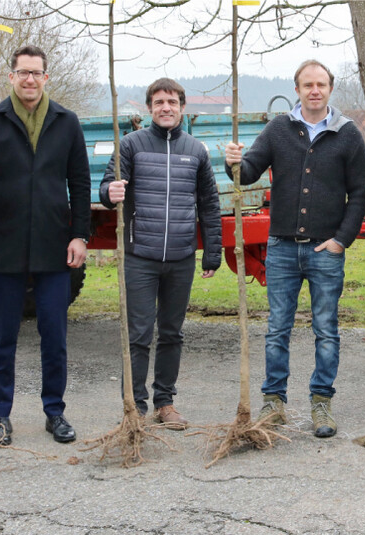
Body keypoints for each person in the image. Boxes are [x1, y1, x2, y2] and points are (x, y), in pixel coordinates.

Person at [224, 59, 365, 438]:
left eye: (321, 84)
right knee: (277, 330)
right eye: (308, 85)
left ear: (330, 89)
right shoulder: (279, 130)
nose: (315, 90)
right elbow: (250, 171)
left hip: (326, 252)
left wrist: (341, 241)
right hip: (283, 249)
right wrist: (234, 163)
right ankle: (274, 401)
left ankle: (321, 402)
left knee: (326, 330)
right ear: (298, 89)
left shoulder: (348, 135)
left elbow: (358, 194)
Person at [0, 45, 91, 445]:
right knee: (3, 336)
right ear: (11, 76)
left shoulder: (66, 122)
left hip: (55, 245)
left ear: (46, 77)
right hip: (6, 244)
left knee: (54, 335)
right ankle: (0, 417)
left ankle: (55, 412)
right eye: (23, 72)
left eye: (36, 73)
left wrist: (80, 235)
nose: (30, 80)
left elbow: (81, 183)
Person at [99, 78, 222, 430]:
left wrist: (211, 254)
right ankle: (134, 408)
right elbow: (106, 188)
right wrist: (112, 190)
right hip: (141, 256)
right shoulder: (131, 145)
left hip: (181, 257)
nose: (165, 107)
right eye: (158, 102)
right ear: (149, 108)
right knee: (138, 333)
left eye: (172, 101)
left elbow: (209, 205)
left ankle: (164, 403)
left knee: (172, 333)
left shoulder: (196, 151)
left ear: (182, 107)